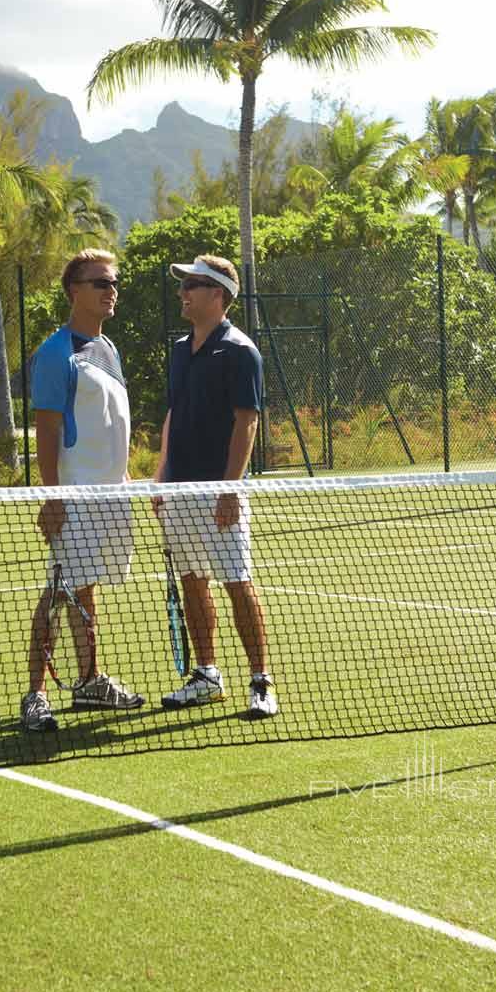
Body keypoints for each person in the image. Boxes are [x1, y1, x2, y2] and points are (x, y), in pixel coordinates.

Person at [20, 249, 145, 732]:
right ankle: (36, 695)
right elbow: (47, 429)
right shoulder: (55, 354)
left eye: (113, 283)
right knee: (58, 590)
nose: (110, 291)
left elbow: (112, 422)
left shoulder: (109, 350)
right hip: (73, 497)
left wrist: (126, 475)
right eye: (99, 283)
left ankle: (90, 681)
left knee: (85, 587)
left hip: (113, 497)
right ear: (75, 292)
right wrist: (51, 498)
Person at [153, 254, 277, 720]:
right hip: (178, 492)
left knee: (237, 582)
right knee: (192, 581)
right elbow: (172, 416)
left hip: (219, 491)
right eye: (184, 284)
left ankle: (261, 682)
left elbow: (247, 423)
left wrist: (230, 489)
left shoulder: (241, 351)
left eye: (194, 285)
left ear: (219, 295)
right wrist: (161, 477)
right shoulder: (180, 350)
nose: (184, 292)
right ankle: (206, 674)